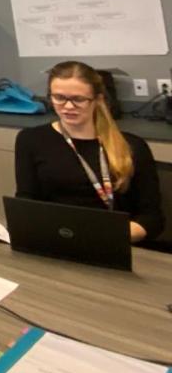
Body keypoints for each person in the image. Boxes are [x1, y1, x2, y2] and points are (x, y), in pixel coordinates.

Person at [15, 60, 164, 243]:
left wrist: (110, 236)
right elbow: (26, 203)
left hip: (115, 242)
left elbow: (152, 218)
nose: (68, 107)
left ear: (98, 100)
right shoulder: (31, 140)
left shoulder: (133, 146)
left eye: (78, 99)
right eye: (59, 98)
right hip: (56, 240)